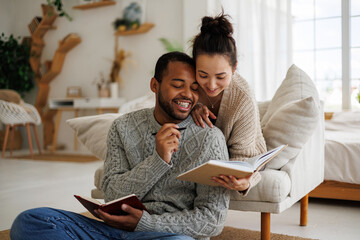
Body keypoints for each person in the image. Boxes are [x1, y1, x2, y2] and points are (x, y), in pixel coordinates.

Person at [10, 52, 230, 240]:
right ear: (155, 85)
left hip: (164, 233)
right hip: (109, 230)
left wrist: (146, 223)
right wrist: (158, 161)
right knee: (29, 222)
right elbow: (112, 193)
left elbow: (212, 219)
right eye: (177, 84)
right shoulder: (124, 126)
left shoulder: (210, 138)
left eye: (194, 88)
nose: (187, 95)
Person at [191, 13, 267, 194]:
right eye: (202, 75)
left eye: (220, 77)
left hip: (243, 150)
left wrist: (246, 182)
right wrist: (191, 108)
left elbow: (246, 159)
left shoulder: (242, 97)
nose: (211, 85)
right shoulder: (188, 85)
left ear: (234, 68)